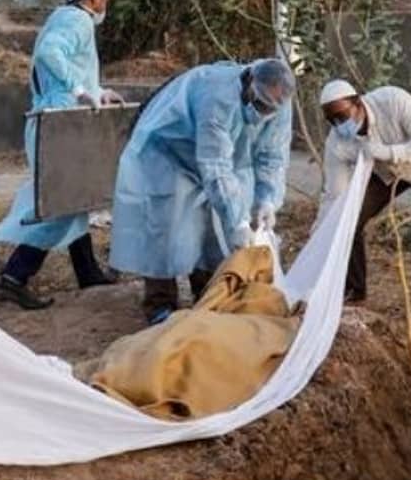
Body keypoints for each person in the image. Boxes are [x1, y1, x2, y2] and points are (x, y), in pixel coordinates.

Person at [111, 58, 295, 325]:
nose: (263, 114)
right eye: (260, 105)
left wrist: (267, 199)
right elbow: (215, 165)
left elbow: (273, 156)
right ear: (249, 85)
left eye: (270, 109)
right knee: (166, 228)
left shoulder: (280, 105)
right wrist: (239, 222)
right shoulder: (217, 96)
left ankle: (206, 294)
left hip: (219, 158)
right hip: (170, 152)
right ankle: (160, 302)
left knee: (213, 230)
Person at [0, 0, 122, 309]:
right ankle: (14, 276)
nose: (105, 3)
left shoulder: (66, 17)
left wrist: (98, 92)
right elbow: (50, 53)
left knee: (75, 199)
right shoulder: (77, 20)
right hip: (58, 124)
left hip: (59, 120)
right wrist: (79, 90)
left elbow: (68, 67)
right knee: (62, 205)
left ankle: (87, 271)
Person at [316, 79, 411, 304]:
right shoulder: (336, 143)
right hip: (385, 174)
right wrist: (320, 231)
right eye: (331, 120)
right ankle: (353, 292)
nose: (339, 125)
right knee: (347, 219)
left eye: (342, 116)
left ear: (358, 103)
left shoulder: (392, 100)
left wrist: (390, 152)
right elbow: (334, 196)